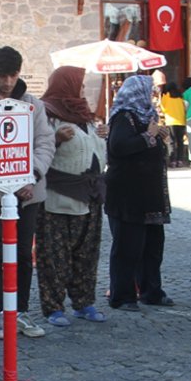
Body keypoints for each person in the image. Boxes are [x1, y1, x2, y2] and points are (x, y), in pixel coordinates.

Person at [0, 46, 57, 339]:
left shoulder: (34, 105)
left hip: (30, 190)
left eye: (12, 75)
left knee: (22, 253)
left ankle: (20, 311)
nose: (7, 82)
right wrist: (8, 181)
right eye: (1, 75)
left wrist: (31, 176)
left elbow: (45, 142)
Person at [36, 65, 108, 326]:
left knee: (87, 253)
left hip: (89, 195)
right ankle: (53, 307)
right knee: (55, 256)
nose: (83, 90)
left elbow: (92, 148)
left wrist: (102, 137)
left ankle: (83, 302)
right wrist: (54, 139)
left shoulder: (84, 115)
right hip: (59, 195)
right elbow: (35, 148)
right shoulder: (46, 113)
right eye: (79, 85)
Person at [104, 74, 172, 311]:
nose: (152, 94)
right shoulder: (124, 116)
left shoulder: (148, 116)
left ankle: (151, 291)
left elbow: (154, 149)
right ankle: (122, 296)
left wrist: (162, 138)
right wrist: (149, 136)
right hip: (127, 195)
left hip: (149, 195)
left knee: (152, 246)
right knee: (127, 247)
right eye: (149, 90)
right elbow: (119, 147)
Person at [160, 82, 188, 168]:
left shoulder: (166, 95)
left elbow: (163, 108)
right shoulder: (181, 96)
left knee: (171, 142)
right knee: (180, 142)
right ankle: (180, 160)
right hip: (181, 121)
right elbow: (185, 108)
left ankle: (172, 161)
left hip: (170, 121)